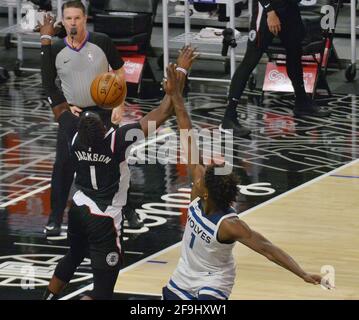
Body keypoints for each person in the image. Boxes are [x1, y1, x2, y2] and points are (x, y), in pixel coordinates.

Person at [162, 63, 333, 300]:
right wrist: (175, 95)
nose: (197, 177)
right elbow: (186, 132)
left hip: (214, 281)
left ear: (207, 192)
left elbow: (267, 249)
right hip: (184, 276)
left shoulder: (230, 225)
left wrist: (302, 273)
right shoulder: (200, 188)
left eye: (202, 179)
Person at [40, 46, 197, 300]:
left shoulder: (72, 130)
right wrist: (180, 71)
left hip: (79, 207)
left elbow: (51, 89)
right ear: (105, 126)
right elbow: (165, 112)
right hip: (104, 217)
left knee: (73, 256)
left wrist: (45, 43)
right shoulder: (118, 139)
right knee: (102, 293)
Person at [39, 1, 142, 236]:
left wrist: (120, 103)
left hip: (103, 111)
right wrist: (63, 107)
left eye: (77, 18)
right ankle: (55, 217)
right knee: (63, 165)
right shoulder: (56, 48)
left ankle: (128, 209)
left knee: (117, 164)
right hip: (74, 114)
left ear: (85, 19)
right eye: (68, 18)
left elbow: (118, 71)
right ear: (62, 21)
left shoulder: (101, 41)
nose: (73, 22)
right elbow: (48, 84)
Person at [220, 0, 331, 138]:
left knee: (295, 52)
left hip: (288, 8)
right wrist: (270, 12)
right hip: (268, 10)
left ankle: (302, 101)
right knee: (251, 59)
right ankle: (228, 117)